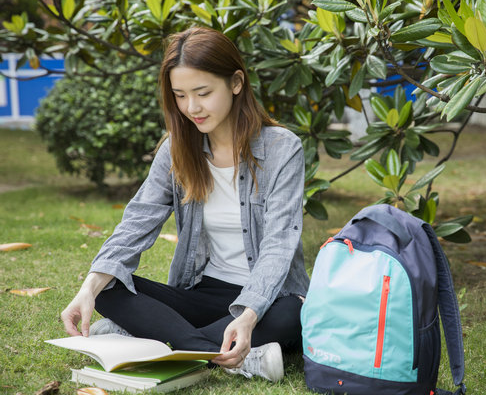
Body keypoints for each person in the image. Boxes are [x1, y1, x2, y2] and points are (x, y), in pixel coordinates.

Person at [60, 26, 310, 382]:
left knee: (293, 313)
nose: (192, 107)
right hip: (203, 294)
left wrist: (249, 314)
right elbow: (138, 220)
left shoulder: (282, 148)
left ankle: (152, 341)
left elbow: (279, 242)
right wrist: (88, 290)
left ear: (236, 83)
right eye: (180, 95)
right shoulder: (176, 149)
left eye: (203, 92)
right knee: (109, 288)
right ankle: (239, 357)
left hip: (268, 297)